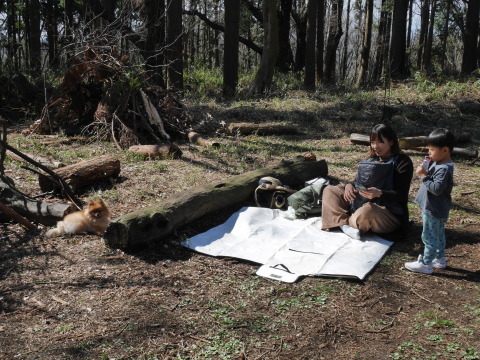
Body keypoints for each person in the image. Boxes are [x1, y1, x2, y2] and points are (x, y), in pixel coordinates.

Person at [321, 124, 413, 239]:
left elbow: (401, 195)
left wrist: (379, 193)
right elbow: (357, 182)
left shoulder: (402, 162)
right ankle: (346, 226)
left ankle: (340, 221)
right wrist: (349, 186)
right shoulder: (371, 159)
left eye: (380, 142)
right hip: (359, 203)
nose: (375, 146)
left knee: (368, 210)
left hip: (387, 212)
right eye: (372, 142)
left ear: (391, 142)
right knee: (330, 190)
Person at [405, 128, 455, 274]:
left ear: (445, 150)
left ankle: (426, 263)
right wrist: (427, 171)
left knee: (429, 236)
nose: (429, 153)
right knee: (438, 234)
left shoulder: (443, 169)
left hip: (433, 208)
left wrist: (423, 176)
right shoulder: (439, 163)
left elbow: (436, 189)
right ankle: (439, 259)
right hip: (434, 207)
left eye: (432, 150)